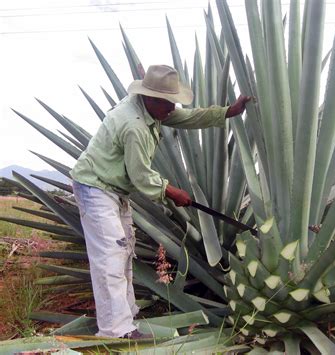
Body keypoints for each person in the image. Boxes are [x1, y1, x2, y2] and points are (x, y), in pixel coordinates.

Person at [70, 64, 251, 339]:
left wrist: (226, 112)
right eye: (168, 104)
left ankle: (125, 317)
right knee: (110, 255)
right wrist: (173, 191)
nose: (171, 110)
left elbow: (184, 118)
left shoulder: (148, 106)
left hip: (114, 189)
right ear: (152, 99)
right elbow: (142, 177)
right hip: (95, 188)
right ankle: (114, 331)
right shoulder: (135, 127)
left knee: (124, 248)